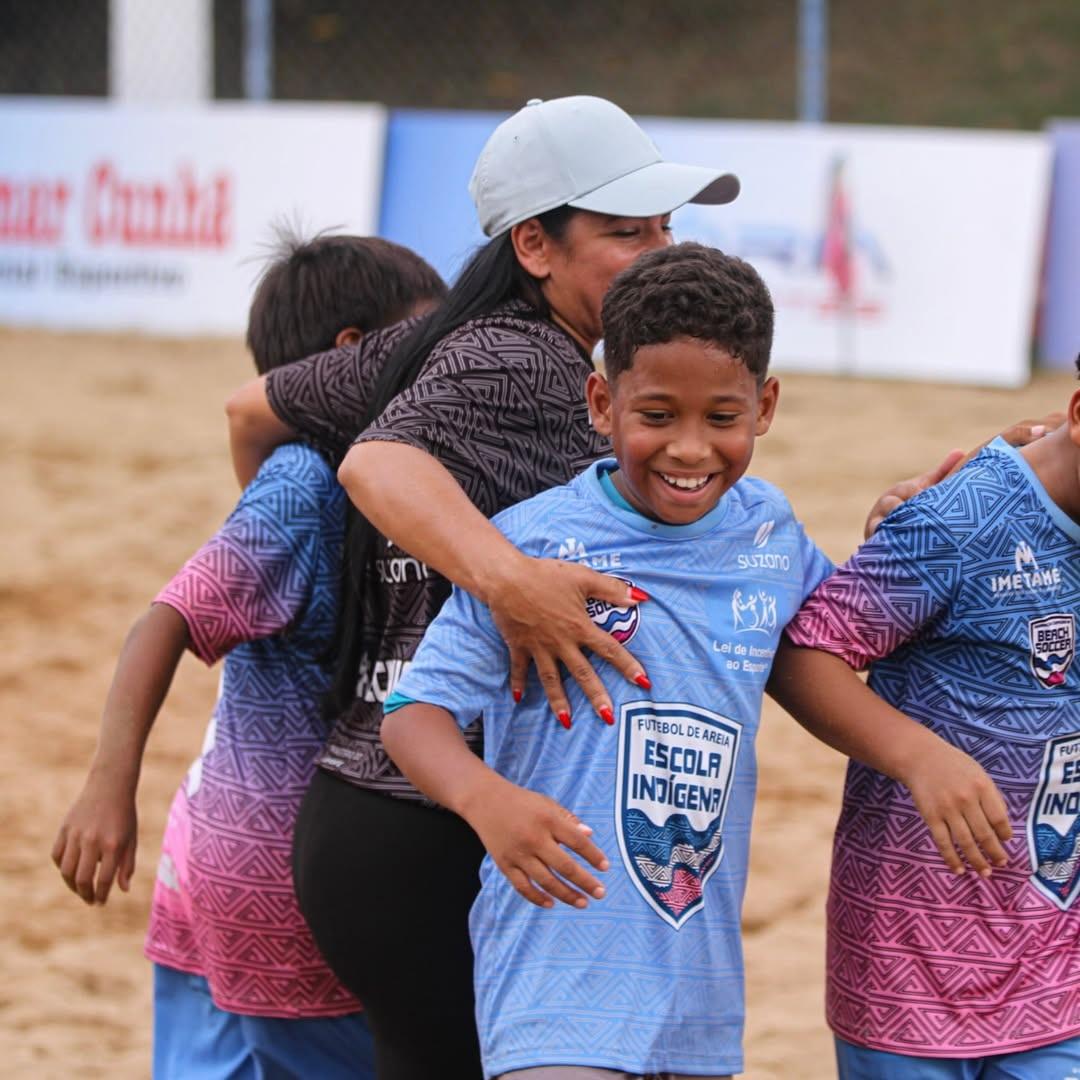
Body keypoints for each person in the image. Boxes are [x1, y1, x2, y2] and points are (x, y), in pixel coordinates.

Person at [379, 243, 1011, 1079]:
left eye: (721, 418)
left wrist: (902, 532)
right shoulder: (531, 548)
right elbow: (411, 715)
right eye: (657, 416)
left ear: (766, 405)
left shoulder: (770, 533)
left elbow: (831, 642)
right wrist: (485, 800)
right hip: (554, 981)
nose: (689, 449)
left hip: (697, 1000)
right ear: (602, 403)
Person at [225, 95, 743, 1079]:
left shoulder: (430, 340)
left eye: (667, 226)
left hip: (383, 811)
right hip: (433, 829)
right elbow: (376, 468)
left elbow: (248, 410)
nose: (661, 249)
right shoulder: (516, 361)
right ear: (537, 245)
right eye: (627, 230)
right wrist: (505, 581)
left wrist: (338, 597)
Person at [51, 231, 447, 1079]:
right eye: (427, 337)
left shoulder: (371, 470)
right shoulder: (305, 481)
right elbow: (165, 619)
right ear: (352, 357)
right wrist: (107, 785)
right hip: (280, 874)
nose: (446, 357)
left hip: (207, 858)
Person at [772, 356, 1080, 1077]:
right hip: (908, 974)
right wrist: (919, 755)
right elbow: (804, 653)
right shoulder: (959, 520)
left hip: (1057, 974)